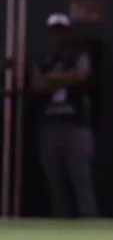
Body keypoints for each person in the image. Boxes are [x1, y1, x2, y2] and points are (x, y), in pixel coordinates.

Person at [32, 13, 98, 218]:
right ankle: (61, 220)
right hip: (50, 124)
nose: (57, 35)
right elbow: (37, 84)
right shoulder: (43, 58)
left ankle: (89, 218)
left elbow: (81, 75)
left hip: (75, 124)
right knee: (54, 179)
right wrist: (61, 80)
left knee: (81, 177)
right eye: (54, 31)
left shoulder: (79, 55)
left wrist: (53, 79)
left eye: (61, 31)